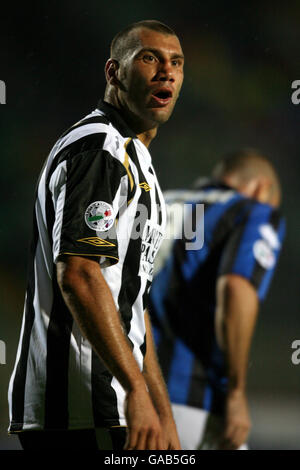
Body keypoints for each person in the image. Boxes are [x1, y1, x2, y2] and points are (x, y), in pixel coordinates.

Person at [8, 20, 184, 451]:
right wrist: (136, 392)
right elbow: (80, 274)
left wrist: (161, 410)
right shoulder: (99, 146)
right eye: (150, 58)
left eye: (176, 62)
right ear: (113, 73)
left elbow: (132, 303)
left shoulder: (134, 156)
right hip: (83, 406)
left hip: (115, 400)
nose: (167, 71)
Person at [149, 149, 286, 450]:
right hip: (190, 399)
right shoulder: (253, 211)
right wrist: (236, 392)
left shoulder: (158, 202)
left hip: (124, 394)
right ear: (262, 188)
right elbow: (237, 288)